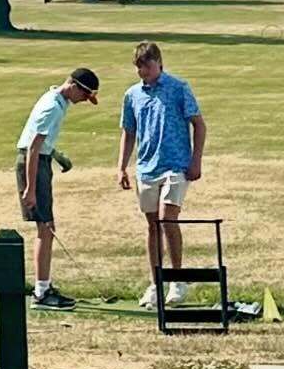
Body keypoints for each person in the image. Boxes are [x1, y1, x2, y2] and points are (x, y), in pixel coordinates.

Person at [117, 41, 207, 309]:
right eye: (139, 67)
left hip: (176, 165)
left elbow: (199, 125)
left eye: (146, 65)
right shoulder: (132, 95)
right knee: (153, 225)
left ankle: (177, 280)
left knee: (168, 220)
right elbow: (128, 132)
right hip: (146, 167)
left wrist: (195, 161)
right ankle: (156, 283)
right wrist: (121, 166)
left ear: (159, 62)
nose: (142, 71)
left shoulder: (179, 88)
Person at [15, 67, 100, 310]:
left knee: (48, 226)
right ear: (74, 86)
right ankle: (42, 293)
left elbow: (41, 142)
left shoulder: (56, 99)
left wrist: (58, 156)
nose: (84, 101)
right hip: (33, 165)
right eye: (85, 96)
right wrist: (31, 189)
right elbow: (32, 148)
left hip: (41, 161)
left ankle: (44, 286)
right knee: (46, 228)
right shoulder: (52, 107)